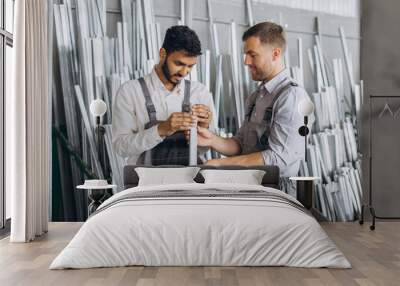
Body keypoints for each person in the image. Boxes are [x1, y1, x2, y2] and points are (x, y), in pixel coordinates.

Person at [196, 22, 313, 196]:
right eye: (245, 55)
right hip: (251, 186)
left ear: (275, 54)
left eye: (252, 55)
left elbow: (278, 160)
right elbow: (241, 144)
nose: (246, 61)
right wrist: (212, 140)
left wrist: (220, 164)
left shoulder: (292, 98)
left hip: (276, 194)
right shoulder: (256, 96)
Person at [112, 25, 215, 165]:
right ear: (162, 54)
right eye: (179, 63)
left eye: (190, 66)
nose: (184, 72)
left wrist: (203, 126)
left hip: (190, 181)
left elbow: (204, 149)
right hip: (145, 183)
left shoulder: (200, 92)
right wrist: (161, 130)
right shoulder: (130, 92)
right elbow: (121, 148)